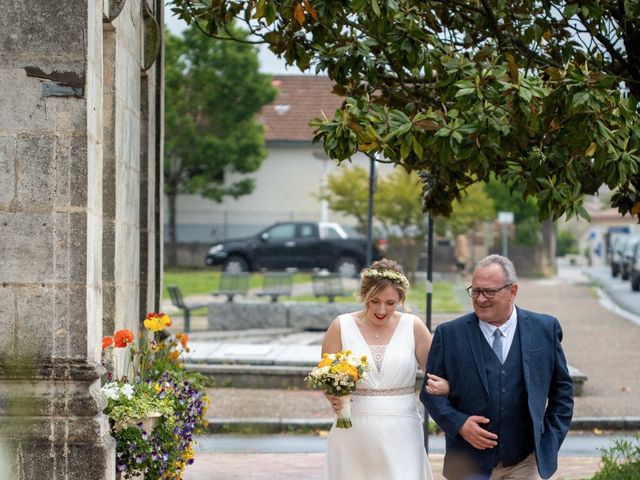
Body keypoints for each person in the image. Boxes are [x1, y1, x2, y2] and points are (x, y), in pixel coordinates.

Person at [420, 254, 574, 480]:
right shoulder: (449, 334)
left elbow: (562, 392)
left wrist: (549, 440)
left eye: (489, 292)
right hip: (467, 463)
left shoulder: (545, 329)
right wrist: (460, 424)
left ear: (512, 291)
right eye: (475, 291)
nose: (481, 299)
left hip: (524, 461)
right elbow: (429, 393)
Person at [321, 258, 449, 480]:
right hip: (353, 430)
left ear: (401, 299)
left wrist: (447, 386)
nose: (382, 310)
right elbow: (326, 377)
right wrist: (333, 395)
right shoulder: (341, 326)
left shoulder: (414, 326)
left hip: (403, 431)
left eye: (390, 303)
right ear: (364, 296)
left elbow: (437, 374)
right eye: (375, 301)